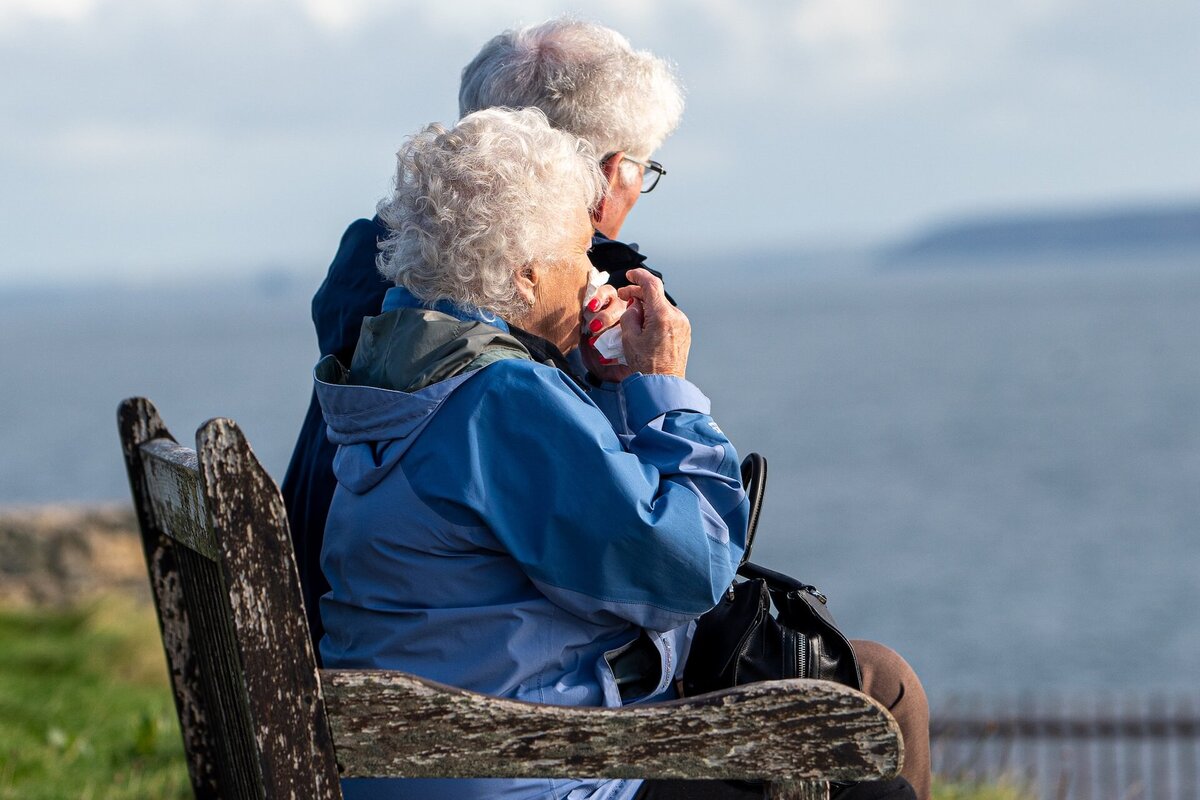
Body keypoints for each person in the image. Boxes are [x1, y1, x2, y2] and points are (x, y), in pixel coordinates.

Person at [315, 108, 928, 800]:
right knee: (872, 791)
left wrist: (600, 384)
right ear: (523, 277)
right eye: (579, 253)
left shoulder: (401, 366)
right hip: (528, 771)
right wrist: (663, 385)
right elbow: (686, 572)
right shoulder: (500, 399)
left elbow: (561, 520)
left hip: (425, 761)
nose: (591, 274)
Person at [282, 19, 683, 650]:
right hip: (456, 683)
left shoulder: (382, 278)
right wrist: (652, 388)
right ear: (603, 174)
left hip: (324, 623)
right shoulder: (545, 321)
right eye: (642, 166)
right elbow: (663, 565)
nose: (636, 188)